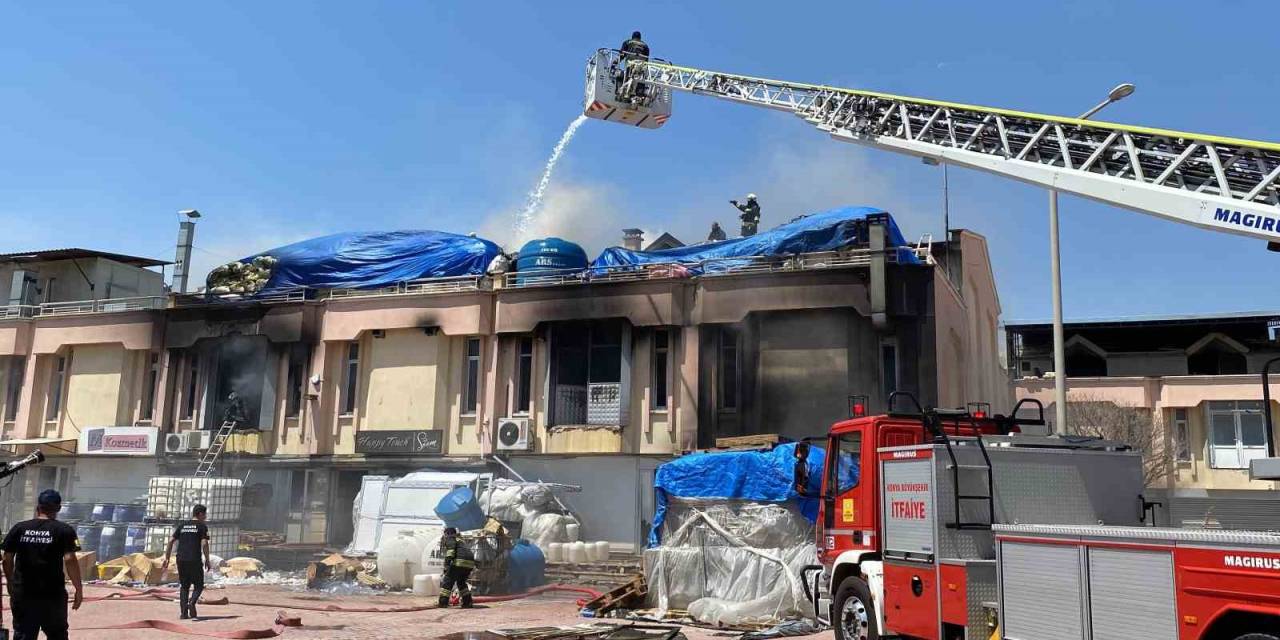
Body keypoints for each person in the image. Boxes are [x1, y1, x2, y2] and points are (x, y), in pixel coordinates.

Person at [1, 489, 83, 640]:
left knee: (23, 634)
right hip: (52, 595)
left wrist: (11, 582)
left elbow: (7, 558)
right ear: (58, 508)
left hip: (24, 594)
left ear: (37, 507)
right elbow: (70, 559)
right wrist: (78, 588)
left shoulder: (19, 528)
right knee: (57, 635)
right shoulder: (65, 530)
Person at [161, 504, 212, 620]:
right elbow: (204, 543)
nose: (205, 517)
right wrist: (207, 560)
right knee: (199, 585)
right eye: (204, 514)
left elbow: (170, 541)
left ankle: (184, 614)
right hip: (194, 559)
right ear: (200, 514)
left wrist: (167, 558)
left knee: (184, 586)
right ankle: (192, 602)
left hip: (181, 559)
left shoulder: (182, 525)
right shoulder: (202, 526)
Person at [437, 527, 475, 609]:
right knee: (461, 582)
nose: (444, 536)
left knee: (448, 581)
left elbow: (451, 551)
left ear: (447, 533)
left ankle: (443, 602)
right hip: (469, 564)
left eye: (445, 534)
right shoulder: (461, 540)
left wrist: (446, 565)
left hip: (459, 562)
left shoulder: (450, 538)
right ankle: (467, 602)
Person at [617, 31, 650, 104]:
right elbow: (647, 59)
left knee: (627, 78)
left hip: (630, 64)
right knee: (640, 80)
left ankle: (625, 94)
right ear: (640, 37)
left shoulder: (628, 42)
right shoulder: (645, 46)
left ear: (632, 36)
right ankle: (640, 95)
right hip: (642, 67)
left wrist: (616, 62)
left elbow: (622, 55)